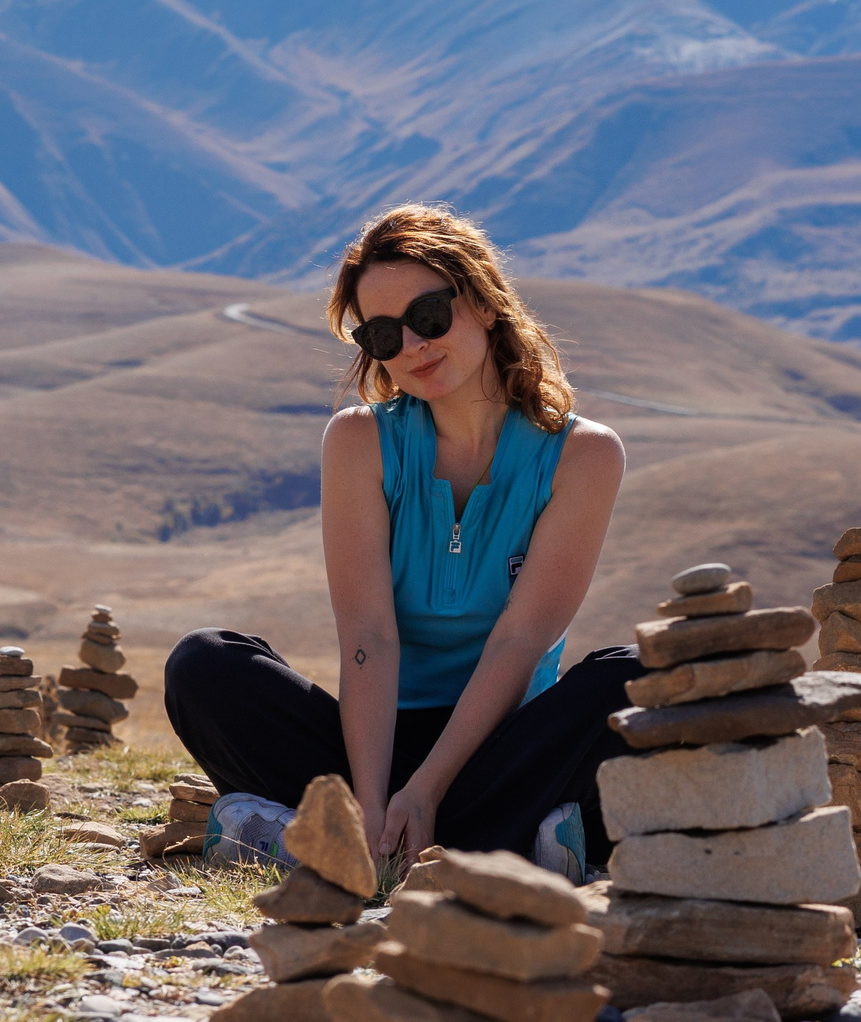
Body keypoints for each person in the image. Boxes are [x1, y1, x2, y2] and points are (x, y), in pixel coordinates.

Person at [165, 203, 639, 878]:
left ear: (481, 300)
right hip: (375, 737)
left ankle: (313, 842)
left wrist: (426, 789)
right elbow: (369, 633)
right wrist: (370, 797)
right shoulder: (360, 440)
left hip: (505, 742)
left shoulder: (583, 455)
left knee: (641, 675)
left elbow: (520, 639)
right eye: (383, 334)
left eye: (430, 316)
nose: (412, 346)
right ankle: (498, 845)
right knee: (203, 664)